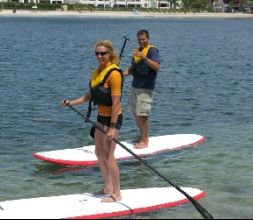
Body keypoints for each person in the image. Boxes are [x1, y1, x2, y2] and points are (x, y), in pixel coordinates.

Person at [61, 40, 123, 203]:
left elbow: (116, 103)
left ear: (110, 54)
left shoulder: (114, 74)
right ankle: (108, 187)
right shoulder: (97, 72)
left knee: (109, 156)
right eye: (97, 53)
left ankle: (117, 194)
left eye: (103, 53)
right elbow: (90, 95)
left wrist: (113, 127)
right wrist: (72, 103)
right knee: (99, 153)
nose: (100, 56)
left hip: (112, 119)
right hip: (100, 118)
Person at [123, 30, 160, 149]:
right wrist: (120, 73)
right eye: (139, 39)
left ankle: (145, 141)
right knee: (136, 113)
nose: (141, 41)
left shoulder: (152, 50)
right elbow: (133, 69)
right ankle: (142, 136)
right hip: (135, 86)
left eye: (143, 39)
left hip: (145, 87)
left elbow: (157, 66)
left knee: (142, 114)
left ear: (148, 38)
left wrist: (143, 57)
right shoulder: (137, 52)